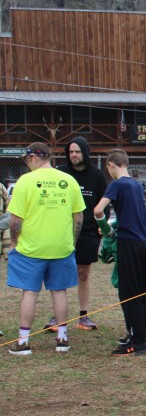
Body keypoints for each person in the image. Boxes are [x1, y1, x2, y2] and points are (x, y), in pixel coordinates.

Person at [5, 142, 85, 355]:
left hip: (30, 248)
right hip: (61, 247)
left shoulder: (25, 181)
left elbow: (15, 219)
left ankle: (23, 342)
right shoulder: (69, 180)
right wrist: (72, 242)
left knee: (30, 292)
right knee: (59, 292)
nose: (27, 165)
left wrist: (14, 242)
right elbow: (78, 216)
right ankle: (62, 339)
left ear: (32, 158)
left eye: (27, 161)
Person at [43, 136, 107, 333]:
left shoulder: (97, 175)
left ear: (85, 153)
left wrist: (101, 226)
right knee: (59, 273)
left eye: (77, 151)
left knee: (83, 274)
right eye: (71, 152)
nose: (74, 155)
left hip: (87, 233)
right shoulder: (60, 173)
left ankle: (83, 316)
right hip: (61, 232)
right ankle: (57, 316)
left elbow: (104, 203)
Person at [94, 149, 146, 356]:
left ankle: (138, 342)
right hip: (144, 242)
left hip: (128, 243)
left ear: (111, 164)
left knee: (128, 292)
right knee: (141, 290)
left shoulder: (117, 184)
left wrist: (107, 230)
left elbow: (98, 210)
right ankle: (139, 334)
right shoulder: (136, 184)